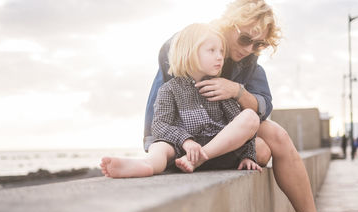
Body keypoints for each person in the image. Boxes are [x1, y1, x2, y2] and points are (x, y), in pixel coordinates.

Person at [142, 0, 348, 212]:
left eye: (259, 44)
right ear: (228, 23)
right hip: (183, 135)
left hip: (221, 131)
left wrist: (236, 91)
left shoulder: (250, 63)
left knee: (275, 139)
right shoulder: (187, 41)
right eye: (245, 38)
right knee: (261, 148)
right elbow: (171, 110)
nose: (250, 49)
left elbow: (263, 107)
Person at [100, 23, 261, 179]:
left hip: (219, 153)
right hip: (182, 154)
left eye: (221, 51)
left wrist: (248, 156)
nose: (219, 56)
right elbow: (160, 125)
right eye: (211, 50)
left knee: (249, 116)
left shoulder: (219, 88)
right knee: (160, 146)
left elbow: (242, 128)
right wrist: (185, 140)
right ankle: (147, 165)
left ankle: (200, 158)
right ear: (189, 52)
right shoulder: (169, 89)